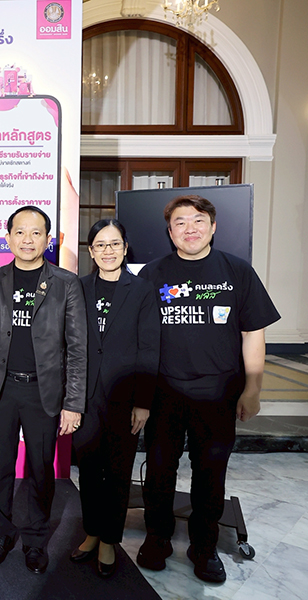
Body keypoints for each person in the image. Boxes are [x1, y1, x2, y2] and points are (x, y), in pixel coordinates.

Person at [135, 195, 279, 583]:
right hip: (164, 394)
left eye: (198, 220)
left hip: (218, 394)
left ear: (213, 227)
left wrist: (253, 389)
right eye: (180, 222)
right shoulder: (152, 274)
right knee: (159, 471)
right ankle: (157, 537)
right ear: (170, 232)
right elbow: (139, 338)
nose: (190, 229)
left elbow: (253, 333)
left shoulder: (237, 271)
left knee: (210, 475)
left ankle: (204, 546)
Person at [0, 205, 85, 574]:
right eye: (20, 232)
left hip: (44, 393)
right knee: (1, 469)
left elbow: (77, 347)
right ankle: (1, 535)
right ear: (8, 238)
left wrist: (73, 403)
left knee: (40, 469)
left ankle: (36, 539)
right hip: (2, 390)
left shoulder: (66, 283)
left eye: (36, 232)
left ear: (48, 239)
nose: (27, 239)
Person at [70, 219, 160, 577]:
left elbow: (149, 348)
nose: (108, 250)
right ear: (91, 252)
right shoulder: (78, 287)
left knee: (119, 472)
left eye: (114, 244)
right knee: (89, 470)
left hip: (125, 397)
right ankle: (92, 532)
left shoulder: (142, 290)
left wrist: (143, 402)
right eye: (100, 245)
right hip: (84, 396)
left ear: (125, 248)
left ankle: (110, 538)